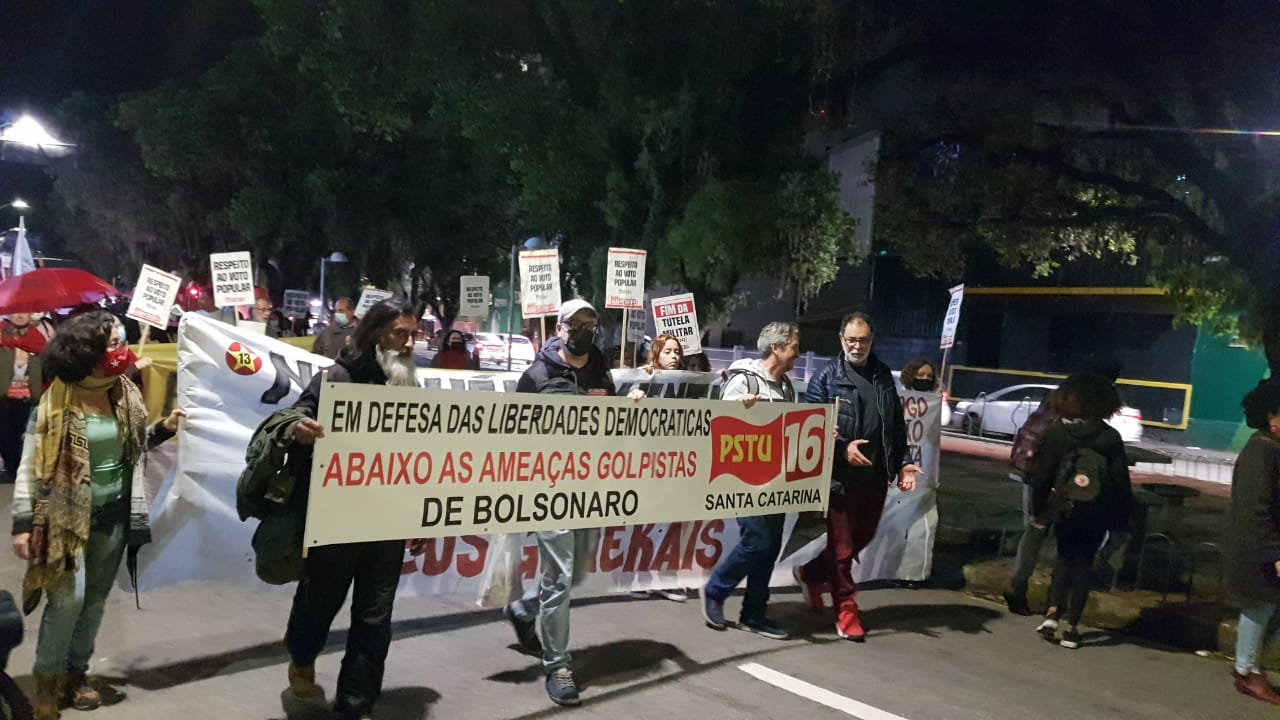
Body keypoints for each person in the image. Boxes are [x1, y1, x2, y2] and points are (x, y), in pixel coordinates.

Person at [10, 312, 184, 719]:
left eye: (121, 342)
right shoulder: (54, 402)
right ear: (84, 354)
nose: (119, 352)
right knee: (67, 601)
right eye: (111, 344)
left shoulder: (124, 393)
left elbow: (135, 442)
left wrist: (164, 428)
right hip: (64, 519)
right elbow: (28, 466)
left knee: (94, 603)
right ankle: (47, 683)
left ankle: (76, 674)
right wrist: (22, 525)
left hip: (115, 516)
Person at [280, 299, 427, 720]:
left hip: (388, 520)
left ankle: (356, 705)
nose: (409, 343)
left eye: (414, 335)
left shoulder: (409, 386)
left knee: (375, 619)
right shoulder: (336, 377)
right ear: (376, 333)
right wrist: (299, 429)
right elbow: (294, 417)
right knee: (319, 603)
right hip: (337, 520)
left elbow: (420, 454)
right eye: (401, 333)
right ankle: (302, 663)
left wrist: (417, 515)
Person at [504, 298, 615, 707]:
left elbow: (613, 426)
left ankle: (524, 610)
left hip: (589, 487)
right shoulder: (537, 374)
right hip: (550, 488)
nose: (585, 329)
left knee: (574, 574)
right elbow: (513, 434)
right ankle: (558, 665)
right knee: (562, 575)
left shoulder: (602, 371)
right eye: (577, 323)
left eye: (592, 323)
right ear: (559, 327)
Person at [796, 312, 918, 641]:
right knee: (843, 547)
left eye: (863, 339)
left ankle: (810, 573)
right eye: (851, 339)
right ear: (841, 340)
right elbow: (812, 433)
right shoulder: (824, 379)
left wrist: (904, 461)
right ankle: (847, 607)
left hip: (875, 476)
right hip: (839, 479)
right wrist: (841, 449)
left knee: (861, 537)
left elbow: (894, 425)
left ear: (871, 340)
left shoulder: (881, 376)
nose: (857, 345)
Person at [701, 322, 801, 641]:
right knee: (756, 540)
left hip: (774, 480)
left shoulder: (786, 387)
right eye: (794, 347)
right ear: (777, 348)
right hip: (743, 478)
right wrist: (739, 409)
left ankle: (754, 613)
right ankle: (716, 590)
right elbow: (719, 420)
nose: (798, 353)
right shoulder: (743, 378)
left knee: (769, 548)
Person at [1026, 373, 1133, 650]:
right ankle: (1073, 627)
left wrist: (1039, 513)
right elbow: (1121, 482)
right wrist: (1121, 521)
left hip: (1065, 506)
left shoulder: (1059, 432)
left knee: (1064, 557)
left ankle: (1051, 615)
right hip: (1097, 508)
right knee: (1084, 562)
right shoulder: (1110, 437)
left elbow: (1043, 475)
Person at [1224, 381, 1280, 704]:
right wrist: (1274, 552)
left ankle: (1250, 665)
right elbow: (1257, 508)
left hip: (1261, 542)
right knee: (1260, 605)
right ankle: (1247, 670)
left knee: (1268, 606)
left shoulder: (1269, 448)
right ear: (1272, 416)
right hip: (1255, 546)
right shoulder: (1261, 452)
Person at [625, 334, 690, 602]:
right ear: (655, 354)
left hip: (675, 465)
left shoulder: (687, 383)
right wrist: (634, 394)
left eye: (677, 352)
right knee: (642, 523)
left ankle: (666, 578)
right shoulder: (642, 379)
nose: (673, 356)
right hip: (645, 464)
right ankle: (636, 578)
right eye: (667, 352)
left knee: (672, 524)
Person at [0, 313, 47, 481]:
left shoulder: (36, 337)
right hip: (3, 398)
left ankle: (23, 470)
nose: (19, 315)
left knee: (26, 437)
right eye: (15, 311)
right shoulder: (1, 333)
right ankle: (12, 470)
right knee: (5, 436)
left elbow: (46, 366)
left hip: (29, 398)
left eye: (24, 312)